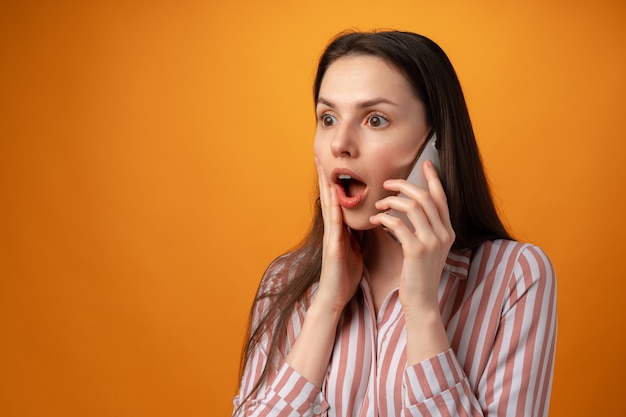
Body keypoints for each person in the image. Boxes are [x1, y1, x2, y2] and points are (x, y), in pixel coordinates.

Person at [233, 30, 557, 417]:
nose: (341, 143)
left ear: (435, 144)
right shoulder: (284, 281)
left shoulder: (515, 277)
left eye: (375, 119)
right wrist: (326, 307)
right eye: (329, 118)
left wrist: (422, 311)